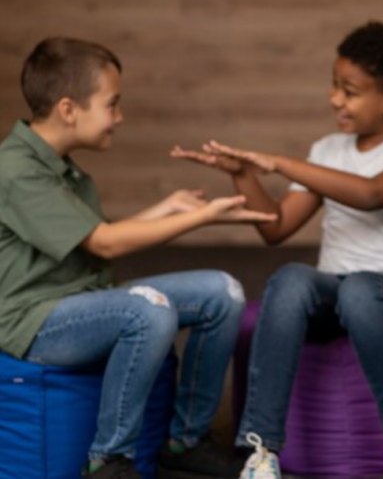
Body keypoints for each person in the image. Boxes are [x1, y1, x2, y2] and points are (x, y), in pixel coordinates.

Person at [173, 21, 383, 479]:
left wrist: (279, 161)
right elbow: (276, 228)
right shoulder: (326, 149)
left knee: (361, 288)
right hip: (337, 295)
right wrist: (245, 174)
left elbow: (373, 193)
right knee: (291, 276)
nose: (335, 99)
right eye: (335, 85)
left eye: (350, 90)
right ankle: (262, 452)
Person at [0, 37, 275, 479]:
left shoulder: (62, 168)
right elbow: (105, 243)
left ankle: (185, 439)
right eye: (112, 105)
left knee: (222, 291)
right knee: (149, 311)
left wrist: (164, 208)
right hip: (36, 322)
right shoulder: (15, 170)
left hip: (82, 300)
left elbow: (88, 238)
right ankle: (109, 459)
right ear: (69, 109)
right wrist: (201, 217)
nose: (119, 118)